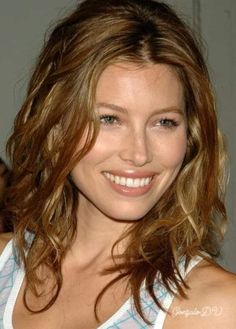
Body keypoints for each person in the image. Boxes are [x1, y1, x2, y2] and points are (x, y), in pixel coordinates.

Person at [0, 0, 235, 328]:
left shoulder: (215, 307)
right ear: (55, 126)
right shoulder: (3, 267)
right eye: (109, 119)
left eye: (164, 122)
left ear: (191, 135)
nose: (139, 154)